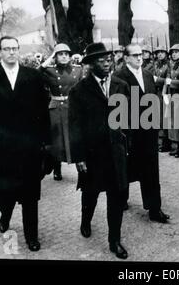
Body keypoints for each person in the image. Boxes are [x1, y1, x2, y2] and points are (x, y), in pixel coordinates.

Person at [0, 36, 51, 251]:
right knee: (4, 193)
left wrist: (46, 142)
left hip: (28, 146)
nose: (12, 52)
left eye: (15, 48)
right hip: (1, 146)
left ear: (19, 50)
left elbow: (42, 111)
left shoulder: (32, 76)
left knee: (30, 194)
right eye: (7, 49)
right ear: (0, 52)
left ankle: (31, 237)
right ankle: (5, 214)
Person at [68, 42, 130, 259]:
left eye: (108, 59)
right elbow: (74, 126)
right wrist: (79, 157)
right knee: (91, 193)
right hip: (92, 154)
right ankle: (86, 221)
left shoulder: (121, 85)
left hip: (116, 152)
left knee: (117, 195)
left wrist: (126, 144)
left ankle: (115, 241)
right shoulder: (78, 91)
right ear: (90, 64)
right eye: (100, 60)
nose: (106, 62)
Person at [113, 44, 170, 223]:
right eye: (135, 55)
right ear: (126, 58)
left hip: (149, 130)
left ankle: (154, 208)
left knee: (151, 169)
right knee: (127, 166)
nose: (140, 58)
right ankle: (122, 199)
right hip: (130, 131)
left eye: (141, 55)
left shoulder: (147, 75)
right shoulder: (118, 76)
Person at [39, 43, 83, 181]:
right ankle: (56, 169)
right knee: (56, 140)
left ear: (70, 56)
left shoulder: (78, 70)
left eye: (66, 54)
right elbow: (34, 75)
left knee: (74, 138)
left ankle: (80, 167)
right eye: (60, 54)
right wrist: (46, 62)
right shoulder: (49, 71)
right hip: (56, 107)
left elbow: (82, 88)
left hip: (72, 107)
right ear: (55, 57)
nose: (64, 57)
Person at [152, 46, 172, 153]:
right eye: (158, 52)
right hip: (157, 93)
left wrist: (157, 80)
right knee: (159, 118)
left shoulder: (168, 65)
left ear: (166, 54)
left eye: (162, 52)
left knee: (165, 118)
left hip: (165, 92)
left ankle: (166, 143)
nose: (159, 54)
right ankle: (162, 142)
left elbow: (168, 80)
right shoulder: (156, 65)